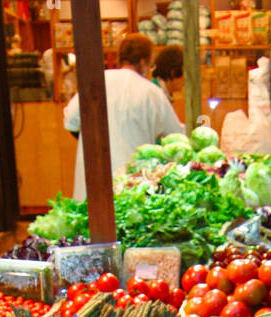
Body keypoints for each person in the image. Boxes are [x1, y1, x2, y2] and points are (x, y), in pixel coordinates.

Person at [64, 34, 183, 201]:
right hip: (134, 184)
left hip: (94, 180)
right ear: (143, 62)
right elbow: (176, 136)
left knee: (93, 223)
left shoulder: (96, 81)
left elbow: (70, 121)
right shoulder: (151, 93)